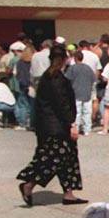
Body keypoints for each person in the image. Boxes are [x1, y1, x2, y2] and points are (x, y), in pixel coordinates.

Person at [17, 44, 86, 206]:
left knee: (67, 159)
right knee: (51, 159)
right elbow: (62, 105)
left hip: (46, 126)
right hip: (56, 128)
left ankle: (68, 193)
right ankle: (28, 184)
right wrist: (72, 124)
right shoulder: (57, 79)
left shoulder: (46, 78)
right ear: (64, 59)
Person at [65, 47, 97, 136]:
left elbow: (66, 79)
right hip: (87, 93)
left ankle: (76, 129)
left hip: (75, 93)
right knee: (87, 112)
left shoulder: (72, 68)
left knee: (77, 112)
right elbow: (94, 80)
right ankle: (87, 129)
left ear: (75, 58)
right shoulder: (88, 68)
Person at [12, 42, 33, 129]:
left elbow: (15, 73)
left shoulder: (19, 62)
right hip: (31, 85)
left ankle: (22, 123)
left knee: (22, 105)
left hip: (22, 84)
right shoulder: (33, 61)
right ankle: (31, 122)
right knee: (32, 105)